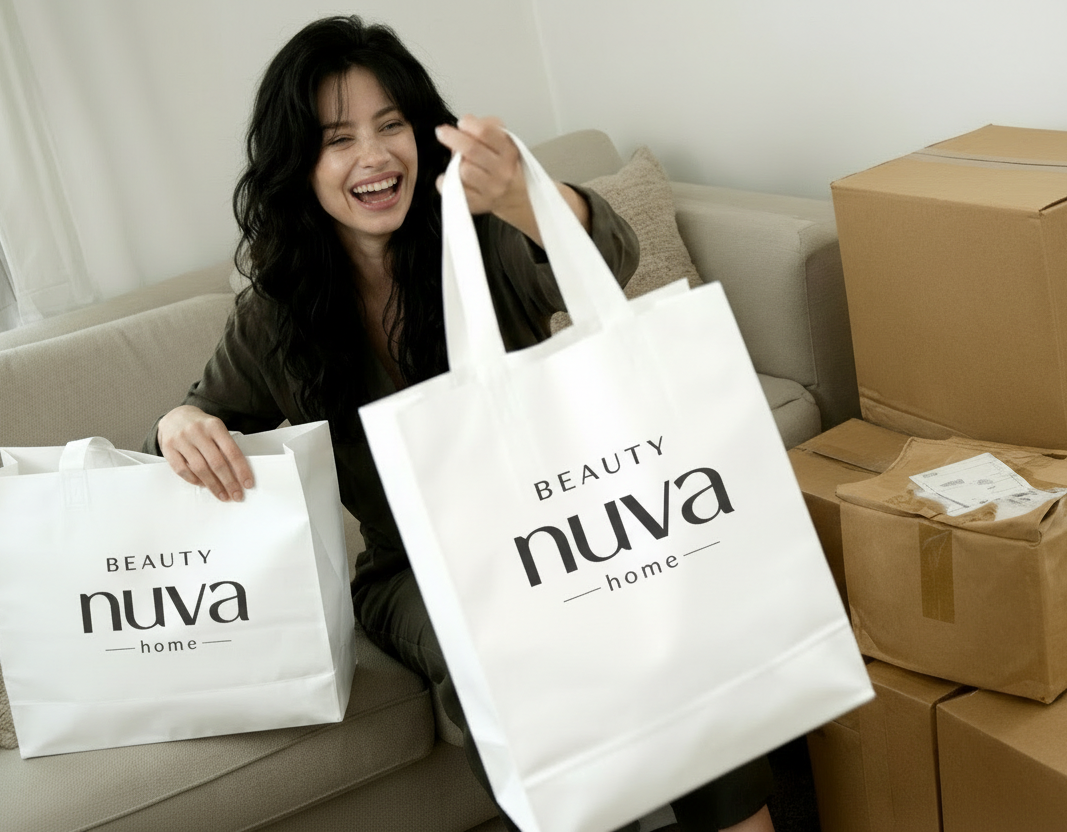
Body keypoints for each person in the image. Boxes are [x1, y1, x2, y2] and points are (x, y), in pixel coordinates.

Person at [145, 15, 776, 832]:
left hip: (565, 521)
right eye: (338, 139)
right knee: (497, 640)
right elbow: (202, 416)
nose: (374, 155)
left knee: (664, 594)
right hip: (416, 568)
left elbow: (607, 258)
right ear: (298, 164)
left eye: (391, 126)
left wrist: (524, 196)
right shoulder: (275, 316)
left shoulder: (478, 239)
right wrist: (179, 421)